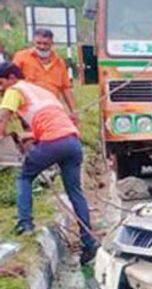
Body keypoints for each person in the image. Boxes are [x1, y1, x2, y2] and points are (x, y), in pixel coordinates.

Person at [0, 62, 97, 264]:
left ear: (10, 78)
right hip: (72, 142)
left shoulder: (14, 90)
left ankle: (24, 223)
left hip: (53, 142)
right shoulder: (42, 92)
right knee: (75, 192)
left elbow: (3, 118)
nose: (1, 88)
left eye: (1, 83)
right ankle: (89, 243)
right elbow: (48, 122)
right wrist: (29, 138)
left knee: (24, 177)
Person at [13, 29, 78, 124]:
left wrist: (74, 111)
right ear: (33, 42)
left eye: (45, 44)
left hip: (51, 108)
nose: (42, 47)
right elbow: (11, 81)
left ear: (52, 43)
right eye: (38, 43)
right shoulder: (21, 57)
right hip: (29, 109)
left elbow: (66, 88)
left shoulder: (59, 63)